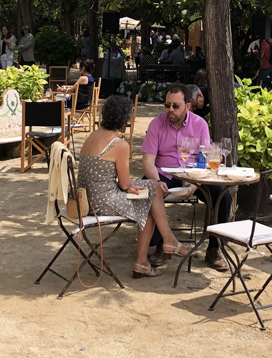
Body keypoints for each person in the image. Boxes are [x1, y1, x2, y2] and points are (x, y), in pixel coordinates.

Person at [78, 95, 189, 278]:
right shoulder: (119, 144)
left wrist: (130, 187)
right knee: (148, 202)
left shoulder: (93, 135)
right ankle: (148, 257)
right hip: (100, 203)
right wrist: (129, 187)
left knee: (153, 187)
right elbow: (124, 184)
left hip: (86, 199)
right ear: (125, 119)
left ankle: (164, 244)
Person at [141, 84, 227, 271]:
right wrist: (157, 181)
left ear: (188, 106)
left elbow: (205, 160)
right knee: (147, 189)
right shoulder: (156, 124)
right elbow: (148, 161)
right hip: (165, 173)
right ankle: (160, 244)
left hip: (194, 174)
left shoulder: (200, 124)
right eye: (167, 105)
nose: (170, 110)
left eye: (175, 106)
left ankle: (214, 248)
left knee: (223, 195)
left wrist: (195, 182)